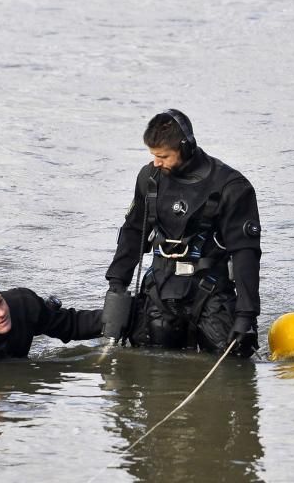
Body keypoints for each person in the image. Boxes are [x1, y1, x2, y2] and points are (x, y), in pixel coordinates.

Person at [103, 109, 262, 357]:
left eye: (163, 156)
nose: (156, 162)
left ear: (185, 148)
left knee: (232, 363)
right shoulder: (149, 179)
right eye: (153, 155)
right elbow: (133, 232)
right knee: (149, 365)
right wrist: (117, 283)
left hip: (210, 291)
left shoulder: (231, 187)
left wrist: (246, 315)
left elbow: (246, 254)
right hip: (160, 288)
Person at [0, 274, 103, 360]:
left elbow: (72, 324)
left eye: (0, 302)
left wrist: (119, 318)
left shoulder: (23, 305)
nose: (0, 313)